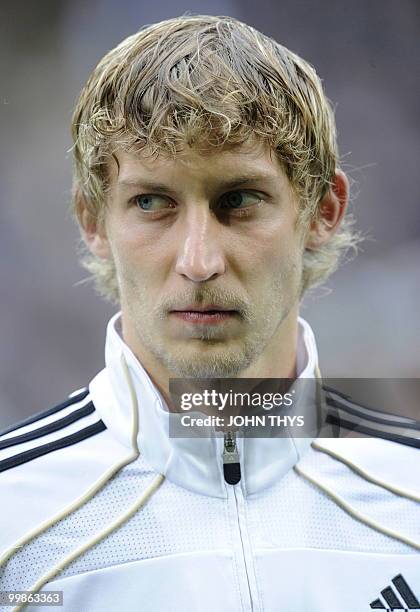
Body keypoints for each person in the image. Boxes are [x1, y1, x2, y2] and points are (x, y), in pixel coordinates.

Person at [1, 14, 419, 612]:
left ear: (323, 211)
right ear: (93, 222)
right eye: (152, 203)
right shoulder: (12, 521)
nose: (199, 261)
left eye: (239, 201)